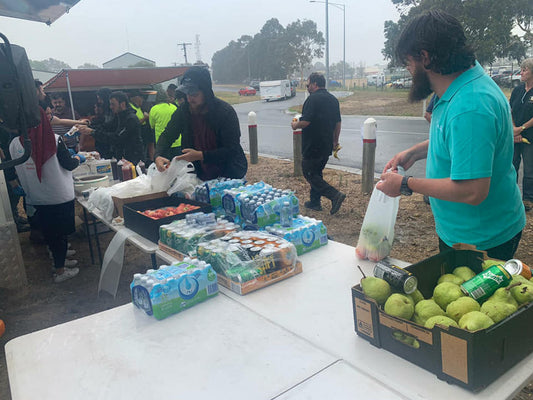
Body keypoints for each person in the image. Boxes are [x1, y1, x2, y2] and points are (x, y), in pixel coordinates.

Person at [377, 10, 525, 260]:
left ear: (425, 57)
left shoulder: (470, 106)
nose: (409, 72)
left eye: (408, 63)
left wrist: (405, 184)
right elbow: (458, 142)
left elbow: (472, 190)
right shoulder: (462, 82)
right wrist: (415, 152)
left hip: (480, 240)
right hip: (463, 231)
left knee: (464, 298)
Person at [9, 106, 84, 282]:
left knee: (50, 232)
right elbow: (68, 165)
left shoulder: (14, 144)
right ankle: (60, 270)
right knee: (61, 233)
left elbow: (14, 168)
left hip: (36, 196)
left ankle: (58, 258)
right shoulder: (54, 139)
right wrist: (78, 158)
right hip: (58, 195)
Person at [154, 66, 247, 181]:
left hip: (230, 174)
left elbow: (231, 150)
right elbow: (167, 135)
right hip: (200, 174)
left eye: (194, 94)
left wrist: (201, 155)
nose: (189, 99)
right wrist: (158, 155)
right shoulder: (184, 110)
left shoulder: (225, 112)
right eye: (186, 94)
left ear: (206, 92)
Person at [290, 72, 346, 215]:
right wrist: (335, 140)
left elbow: (306, 121)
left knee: (309, 172)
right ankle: (315, 202)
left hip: (312, 144)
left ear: (315, 84)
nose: (307, 86)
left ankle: (335, 195)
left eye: (308, 84)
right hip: (326, 144)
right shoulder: (333, 100)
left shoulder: (312, 100)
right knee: (316, 172)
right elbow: (338, 123)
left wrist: (295, 125)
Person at [78, 91, 144, 164]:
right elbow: (106, 126)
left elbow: (117, 138)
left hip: (133, 158)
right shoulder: (119, 116)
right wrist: (87, 126)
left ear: (122, 104)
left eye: (113, 104)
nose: (111, 107)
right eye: (110, 104)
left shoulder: (131, 119)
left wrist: (92, 132)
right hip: (121, 157)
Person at [510, 58, 533, 211]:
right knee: (512, 166)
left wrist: (522, 128)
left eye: (525, 70)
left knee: (530, 169)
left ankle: (528, 199)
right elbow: (509, 110)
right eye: (521, 69)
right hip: (514, 135)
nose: (521, 73)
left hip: (530, 137)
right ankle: (511, 197)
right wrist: (514, 129)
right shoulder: (517, 90)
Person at [128, 90, 154, 162]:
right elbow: (134, 124)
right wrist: (145, 118)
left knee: (149, 145)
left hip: (146, 131)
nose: (142, 100)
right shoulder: (131, 108)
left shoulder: (139, 106)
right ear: (136, 98)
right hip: (139, 132)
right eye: (140, 98)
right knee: (142, 151)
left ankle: (150, 161)